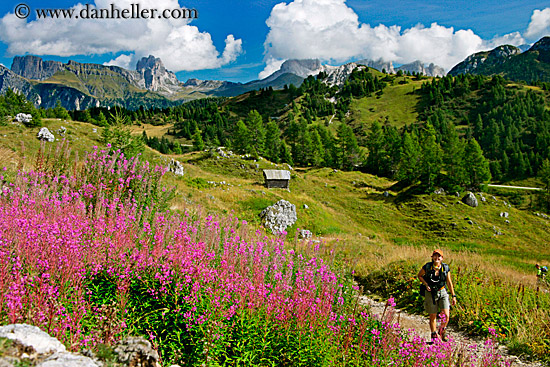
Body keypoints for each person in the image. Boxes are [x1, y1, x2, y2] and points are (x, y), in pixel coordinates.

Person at [417, 249, 457, 342]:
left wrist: (453, 295)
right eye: (435, 256)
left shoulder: (445, 268)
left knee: (446, 315)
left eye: (439, 256)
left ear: (442, 258)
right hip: (430, 293)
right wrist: (426, 284)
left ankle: (442, 330)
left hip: (442, 291)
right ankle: (434, 334)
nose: (437, 258)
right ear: (432, 257)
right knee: (433, 315)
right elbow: (420, 275)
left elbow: (449, 282)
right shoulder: (427, 267)